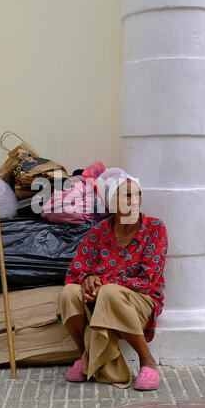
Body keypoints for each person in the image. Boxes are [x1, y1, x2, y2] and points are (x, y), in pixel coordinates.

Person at [59, 167, 168, 390]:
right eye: (127, 195)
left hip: (139, 301)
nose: (135, 200)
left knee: (110, 292)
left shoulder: (154, 229)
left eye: (138, 195)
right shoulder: (99, 231)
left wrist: (105, 283)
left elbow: (149, 280)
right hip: (101, 297)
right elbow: (75, 271)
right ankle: (86, 357)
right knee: (70, 292)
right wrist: (89, 278)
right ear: (113, 203)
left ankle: (147, 362)